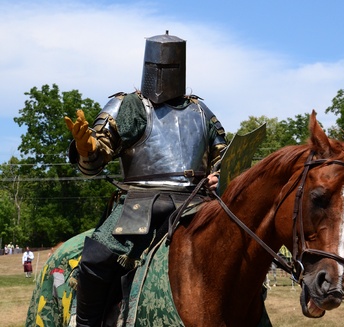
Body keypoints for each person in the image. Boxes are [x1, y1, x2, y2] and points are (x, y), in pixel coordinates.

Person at [64, 32, 228, 326]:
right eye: (157, 67)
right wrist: (86, 148)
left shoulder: (201, 112)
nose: (161, 75)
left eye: (169, 68)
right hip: (139, 203)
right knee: (98, 256)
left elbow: (225, 159)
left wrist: (220, 177)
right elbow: (96, 159)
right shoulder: (129, 106)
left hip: (196, 203)